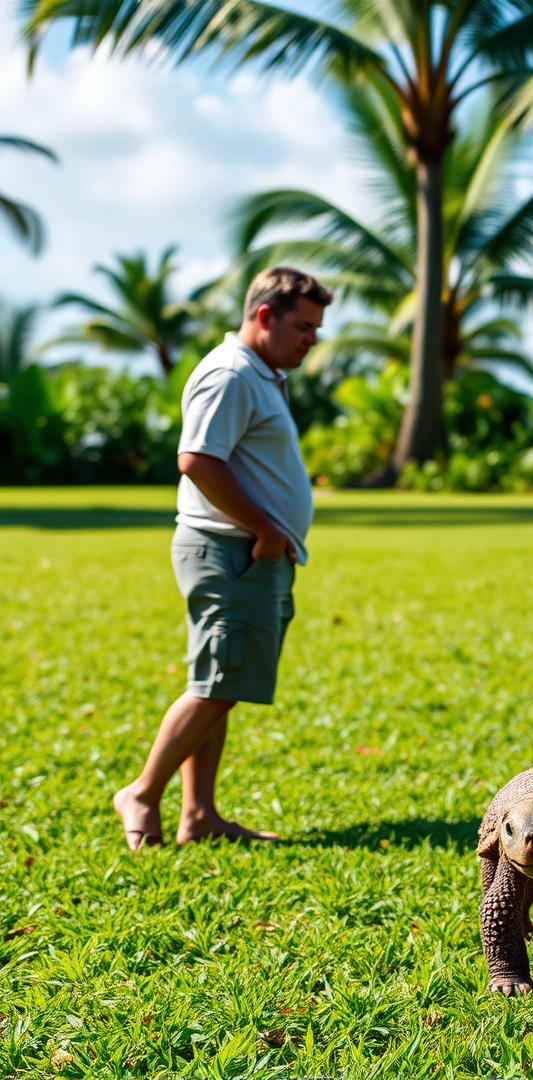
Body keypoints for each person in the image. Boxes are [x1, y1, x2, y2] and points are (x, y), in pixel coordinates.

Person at [112, 266, 332, 849]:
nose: (312, 339)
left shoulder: (260, 374)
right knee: (218, 681)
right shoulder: (232, 373)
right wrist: (264, 530)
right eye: (304, 326)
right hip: (231, 548)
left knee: (219, 678)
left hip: (243, 549)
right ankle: (141, 792)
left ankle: (199, 815)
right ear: (265, 317)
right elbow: (198, 460)